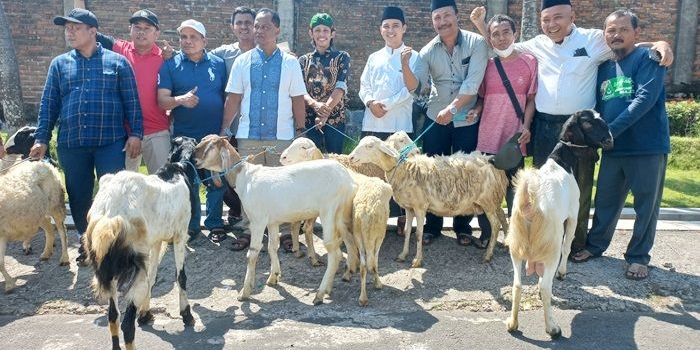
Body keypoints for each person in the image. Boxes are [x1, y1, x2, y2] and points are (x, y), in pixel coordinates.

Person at [471, 1, 673, 255]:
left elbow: (626, 43)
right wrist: (481, 25)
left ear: (572, 17)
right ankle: (544, 241)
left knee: (580, 187)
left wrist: (660, 44)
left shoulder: (594, 40)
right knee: (544, 188)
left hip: (579, 129)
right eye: (546, 19)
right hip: (545, 125)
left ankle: (576, 243)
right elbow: (502, 47)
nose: (551, 24)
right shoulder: (537, 43)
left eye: (558, 17)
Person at [29, 8, 143, 264]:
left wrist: (136, 134)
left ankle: (112, 243)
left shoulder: (118, 63)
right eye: (67, 28)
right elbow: (49, 103)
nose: (69, 32)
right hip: (72, 143)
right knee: (78, 195)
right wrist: (41, 138)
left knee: (112, 194)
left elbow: (132, 102)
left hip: (110, 141)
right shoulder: (59, 64)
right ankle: (86, 242)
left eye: (75, 27)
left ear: (93, 31)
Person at [570, 10, 670, 281]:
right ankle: (595, 245)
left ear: (636, 33)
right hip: (613, 148)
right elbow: (600, 107)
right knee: (605, 201)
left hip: (646, 147)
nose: (616, 35)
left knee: (646, 206)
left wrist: (608, 132)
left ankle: (638, 257)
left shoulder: (648, 59)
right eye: (611, 30)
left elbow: (644, 100)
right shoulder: (604, 67)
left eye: (623, 29)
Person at [222, 8, 307, 251]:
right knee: (249, 188)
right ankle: (250, 229)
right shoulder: (243, 61)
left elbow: (297, 99)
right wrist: (225, 128)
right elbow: (234, 98)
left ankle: (285, 233)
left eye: (264, 26)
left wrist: (300, 130)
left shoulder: (290, 63)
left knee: (283, 187)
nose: (258, 30)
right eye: (256, 26)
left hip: (281, 137)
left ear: (277, 29)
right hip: (249, 137)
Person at [414, 0, 489, 246]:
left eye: (447, 15)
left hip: (466, 118)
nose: (442, 22)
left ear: (457, 16)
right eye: (437, 18)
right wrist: (407, 69)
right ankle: (433, 225)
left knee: (463, 173)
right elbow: (418, 86)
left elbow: (473, 83)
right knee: (433, 172)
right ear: (432, 21)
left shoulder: (477, 43)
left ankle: (463, 226)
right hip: (436, 118)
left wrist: (454, 107)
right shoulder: (427, 51)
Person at [157, 19, 228, 244]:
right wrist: (181, 100)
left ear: (204, 41)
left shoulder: (218, 64)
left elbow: (227, 97)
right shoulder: (170, 65)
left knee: (216, 181)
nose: (187, 41)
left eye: (193, 37)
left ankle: (215, 223)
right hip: (184, 137)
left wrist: (225, 129)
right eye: (183, 37)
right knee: (190, 183)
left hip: (213, 136)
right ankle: (192, 225)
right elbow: (162, 101)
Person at [469, 14, 537, 233]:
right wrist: (476, 111)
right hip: (487, 136)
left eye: (506, 32)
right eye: (495, 34)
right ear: (490, 38)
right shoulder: (487, 66)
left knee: (515, 191)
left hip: (514, 138)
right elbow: (481, 97)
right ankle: (488, 235)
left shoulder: (529, 62)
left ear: (515, 33)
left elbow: (531, 99)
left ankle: (516, 235)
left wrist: (526, 126)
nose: (501, 38)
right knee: (486, 190)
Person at [359, 6, 422, 237]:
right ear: (380, 30)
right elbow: (363, 86)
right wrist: (369, 102)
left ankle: (404, 218)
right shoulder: (373, 57)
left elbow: (411, 89)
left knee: (402, 175)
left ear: (404, 28)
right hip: (372, 125)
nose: (391, 30)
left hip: (400, 126)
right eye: (386, 26)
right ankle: (374, 216)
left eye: (395, 25)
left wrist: (384, 106)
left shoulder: (414, 57)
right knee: (372, 173)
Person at [108, 9, 171, 174]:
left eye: (147, 28)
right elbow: (90, 34)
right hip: (124, 132)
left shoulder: (166, 58)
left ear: (156, 33)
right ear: (130, 29)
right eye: (137, 27)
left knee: (163, 185)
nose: (141, 32)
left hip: (157, 130)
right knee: (124, 187)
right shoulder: (119, 49)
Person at [211, 6, 257, 229]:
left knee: (252, 172)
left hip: (257, 126)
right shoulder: (223, 53)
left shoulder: (268, 49)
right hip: (230, 125)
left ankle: (257, 213)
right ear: (232, 26)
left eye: (248, 22)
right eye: (239, 23)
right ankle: (236, 209)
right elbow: (198, 55)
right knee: (227, 171)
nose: (244, 27)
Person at [298, 12, 351, 154]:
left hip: (334, 120)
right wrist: (315, 105)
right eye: (317, 30)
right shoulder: (303, 60)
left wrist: (325, 113)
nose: (322, 34)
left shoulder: (342, 57)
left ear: (332, 34)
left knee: (334, 161)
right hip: (310, 120)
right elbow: (300, 89)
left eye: (326, 30)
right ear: (311, 33)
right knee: (309, 161)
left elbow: (341, 87)